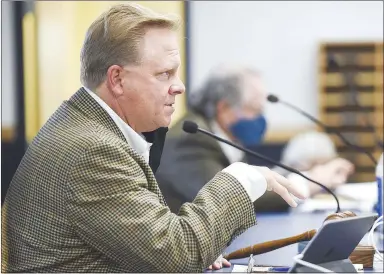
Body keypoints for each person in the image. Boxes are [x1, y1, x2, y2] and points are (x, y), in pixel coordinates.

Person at [1, 4, 306, 273]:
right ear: (117, 80)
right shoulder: (93, 150)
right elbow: (177, 258)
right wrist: (240, 180)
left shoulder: (83, 128)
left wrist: (184, 247)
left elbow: (153, 245)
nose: (180, 87)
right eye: (165, 74)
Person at [155, 65, 354, 213]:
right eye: (254, 109)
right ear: (224, 108)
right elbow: (230, 200)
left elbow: (251, 183)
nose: (260, 118)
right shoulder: (192, 138)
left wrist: (303, 172)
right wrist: (308, 185)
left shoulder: (226, 134)